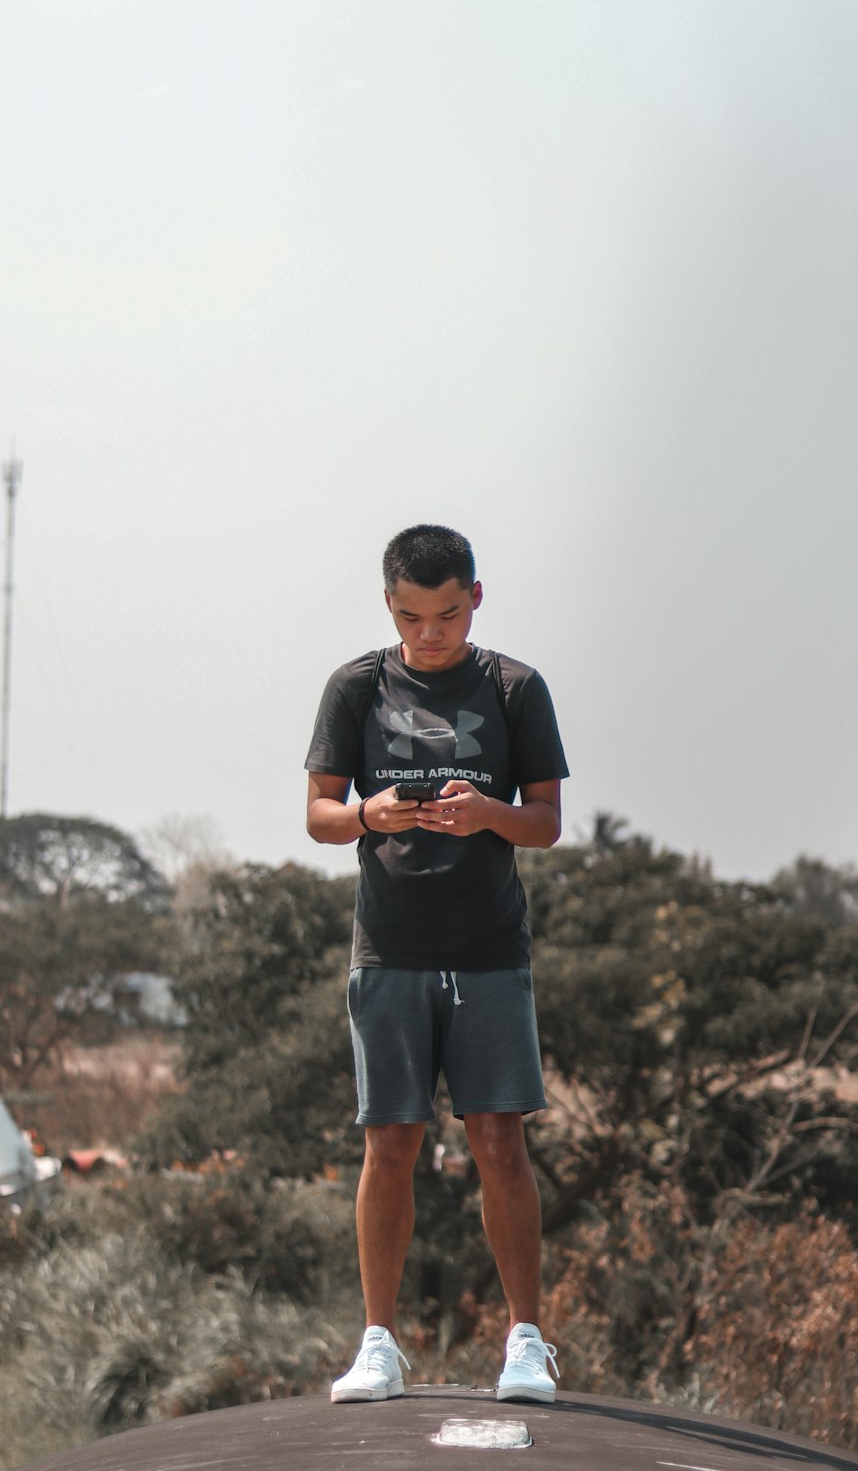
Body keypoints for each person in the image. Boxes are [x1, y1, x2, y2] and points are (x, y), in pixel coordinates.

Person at [305, 524, 569, 1406]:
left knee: (500, 1140)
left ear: (476, 599)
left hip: (491, 950)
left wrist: (487, 812)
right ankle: (378, 1343)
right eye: (413, 617)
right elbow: (318, 814)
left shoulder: (514, 688)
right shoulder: (354, 686)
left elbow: (545, 822)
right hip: (389, 949)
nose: (431, 633)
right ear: (389, 605)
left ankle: (527, 1343)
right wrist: (372, 815)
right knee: (390, 1143)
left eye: (448, 614)